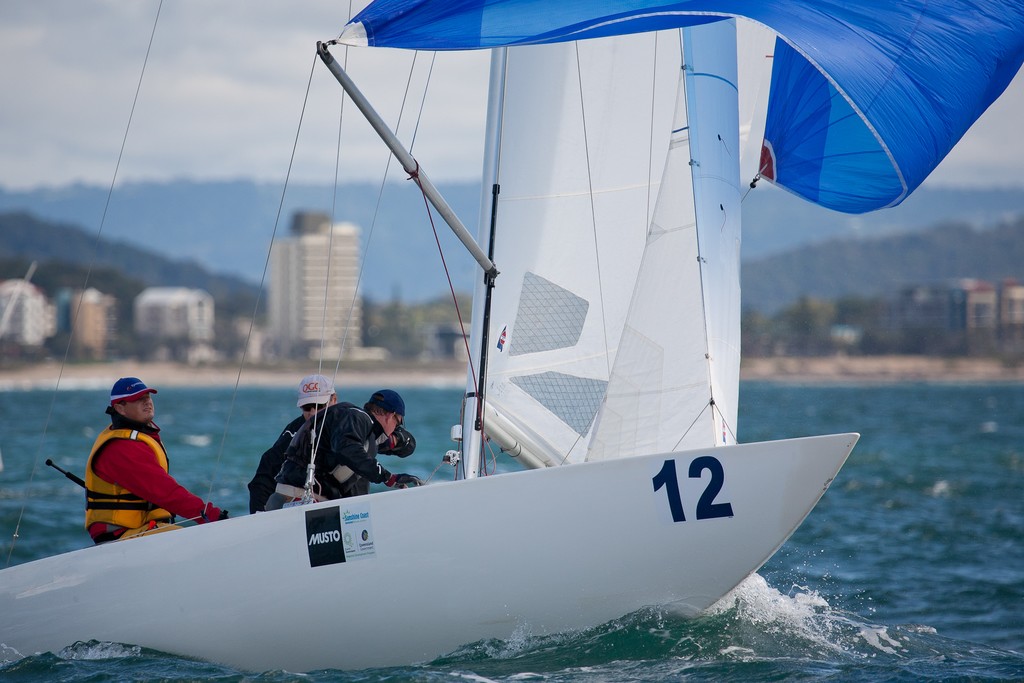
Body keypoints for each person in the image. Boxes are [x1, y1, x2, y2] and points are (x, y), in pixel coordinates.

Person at [84, 377, 228, 544]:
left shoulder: (134, 438)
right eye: (138, 399)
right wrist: (211, 515)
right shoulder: (121, 448)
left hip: (141, 529)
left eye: (148, 397)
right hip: (120, 536)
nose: (147, 403)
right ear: (119, 408)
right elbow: (165, 492)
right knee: (198, 543)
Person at [265, 389, 422, 510]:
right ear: (390, 416)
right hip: (300, 499)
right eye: (398, 423)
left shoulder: (354, 422)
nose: (396, 428)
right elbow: (348, 449)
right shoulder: (358, 417)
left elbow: (408, 446)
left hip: (296, 497)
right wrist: (388, 478)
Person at [246, 373, 338, 514]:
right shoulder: (295, 431)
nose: (312, 413)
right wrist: (258, 515)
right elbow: (266, 471)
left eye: (319, 406)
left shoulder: (350, 424)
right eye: (307, 407)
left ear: (334, 400)